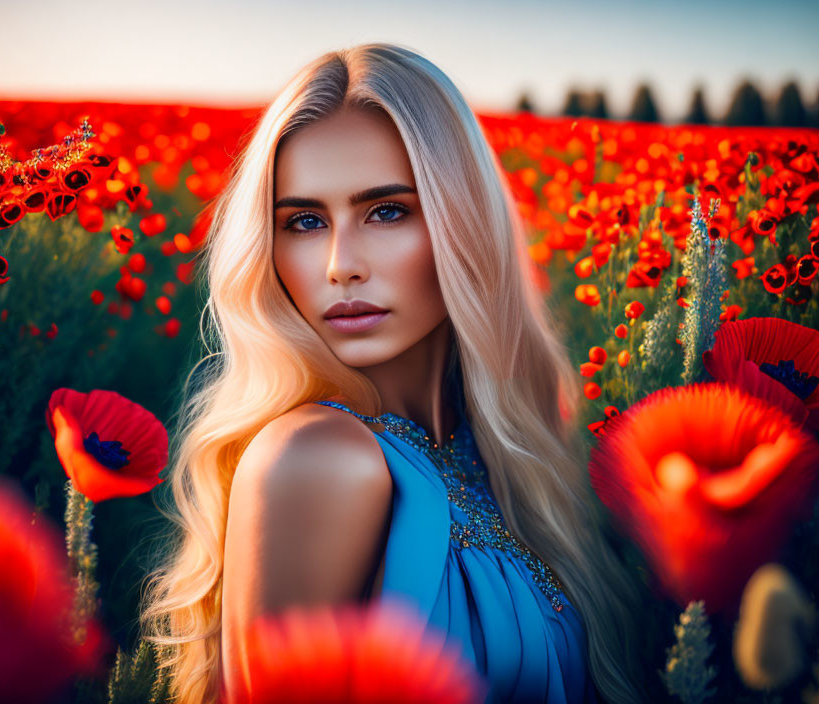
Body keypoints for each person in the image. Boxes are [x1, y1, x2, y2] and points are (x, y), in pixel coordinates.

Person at [141, 43, 649, 704]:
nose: (339, 265)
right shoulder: (318, 457)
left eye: (386, 211)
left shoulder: (496, 456)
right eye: (303, 221)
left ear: (463, 222)